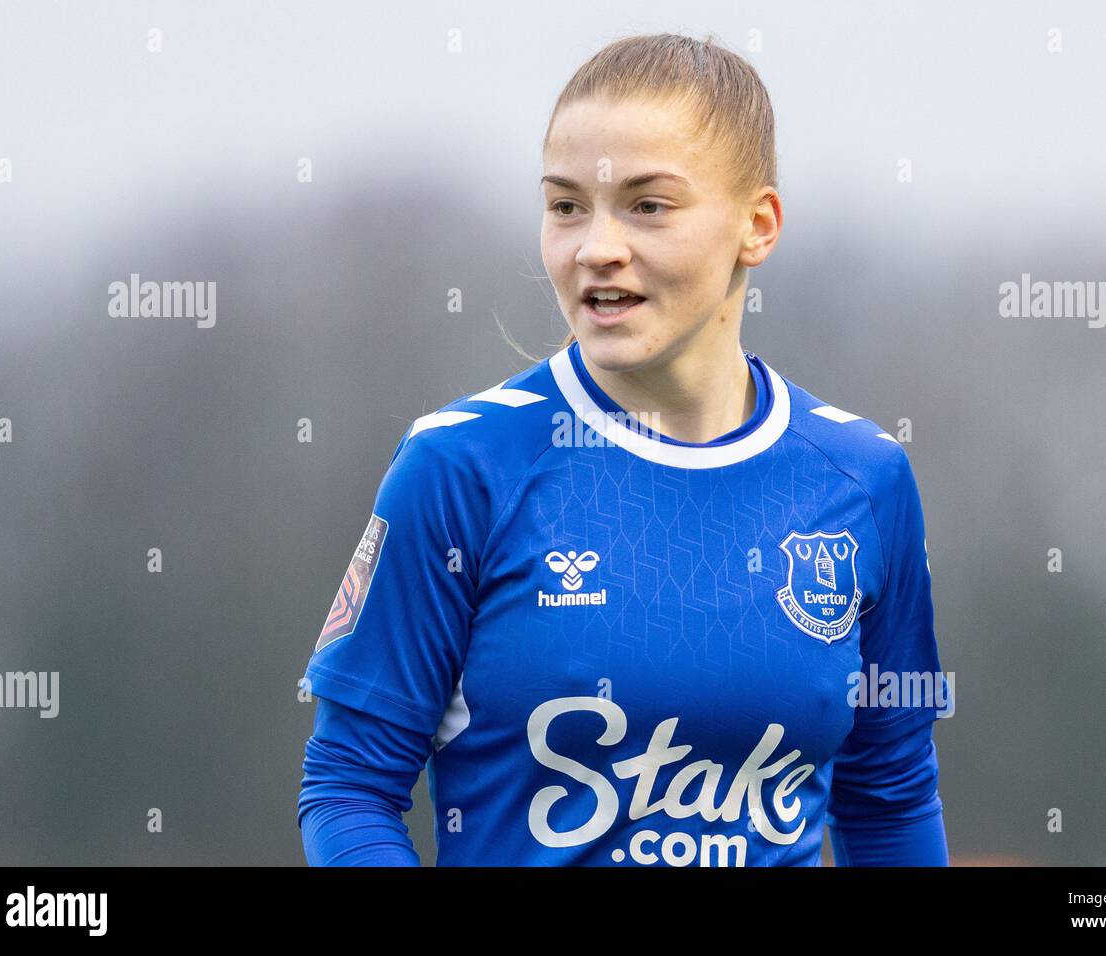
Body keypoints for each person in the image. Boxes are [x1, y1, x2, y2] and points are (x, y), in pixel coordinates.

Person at [297, 32, 951, 866]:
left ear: (758, 225)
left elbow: (889, 800)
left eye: (648, 205)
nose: (595, 246)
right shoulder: (459, 470)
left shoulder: (864, 480)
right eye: (567, 205)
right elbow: (349, 787)